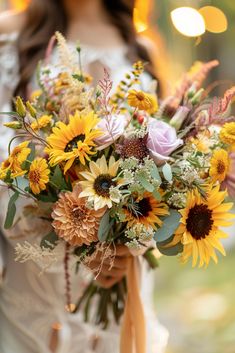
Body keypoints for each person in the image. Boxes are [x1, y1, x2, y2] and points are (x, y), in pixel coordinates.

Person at [0, 1, 169, 352]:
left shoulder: (140, 46)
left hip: (119, 292)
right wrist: (78, 236)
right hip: (33, 290)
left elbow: (163, 176)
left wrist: (128, 245)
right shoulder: (10, 35)